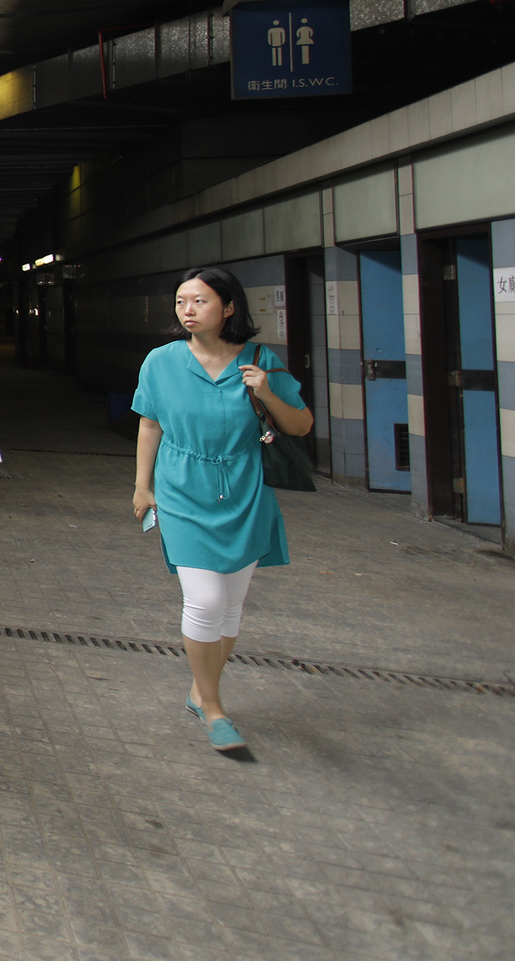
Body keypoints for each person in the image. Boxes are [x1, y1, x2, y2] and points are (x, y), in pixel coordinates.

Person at [131, 265, 309, 754]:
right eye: (181, 301)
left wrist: (266, 391)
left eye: (200, 301)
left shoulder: (261, 361)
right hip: (182, 489)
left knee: (230, 606)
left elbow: (300, 426)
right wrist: (143, 486)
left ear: (229, 308)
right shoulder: (161, 361)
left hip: (245, 490)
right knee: (206, 601)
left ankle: (199, 689)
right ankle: (213, 706)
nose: (187, 310)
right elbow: (150, 425)